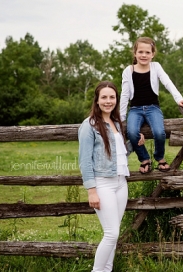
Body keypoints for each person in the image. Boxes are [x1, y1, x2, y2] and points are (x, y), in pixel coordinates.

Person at [78, 81, 130, 272]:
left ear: (116, 100)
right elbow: (84, 160)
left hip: (120, 183)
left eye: (112, 97)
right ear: (97, 100)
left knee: (114, 235)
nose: (108, 101)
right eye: (104, 97)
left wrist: (135, 144)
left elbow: (118, 153)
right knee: (111, 233)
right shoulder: (89, 125)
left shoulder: (116, 123)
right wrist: (91, 190)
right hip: (102, 184)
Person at [120, 37, 183, 173]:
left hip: (153, 108)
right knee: (132, 132)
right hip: (135, 109)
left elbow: (168, 83)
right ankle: (144, 159)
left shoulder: (156, 67)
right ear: (135, 53)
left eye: (147, 52)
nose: (144, 55)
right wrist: (121, 116)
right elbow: (124, 94)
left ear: (153, 54)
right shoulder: (128, 71)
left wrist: (179, 99)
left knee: (159, 132)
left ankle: (160, 157)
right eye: (140, 52)